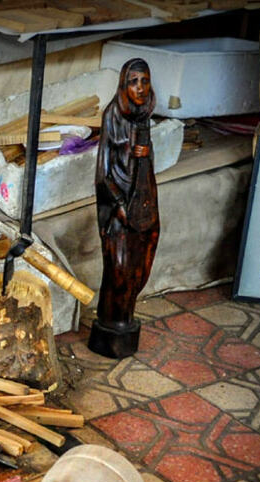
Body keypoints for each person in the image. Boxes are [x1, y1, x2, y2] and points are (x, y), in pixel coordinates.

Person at [90, 58, 159, 358]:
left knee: (139, 270)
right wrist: (118, 205)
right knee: (118, 270)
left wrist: (144, 153)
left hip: (143, 202)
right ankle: (110, 324)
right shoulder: (112, 115)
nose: (140, 88)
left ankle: (125, 320)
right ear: (124, 85)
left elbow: (145, 163)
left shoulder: (144, 115)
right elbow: (103, 172)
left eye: (144, 81)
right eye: (134, 82)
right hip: (117, 205)